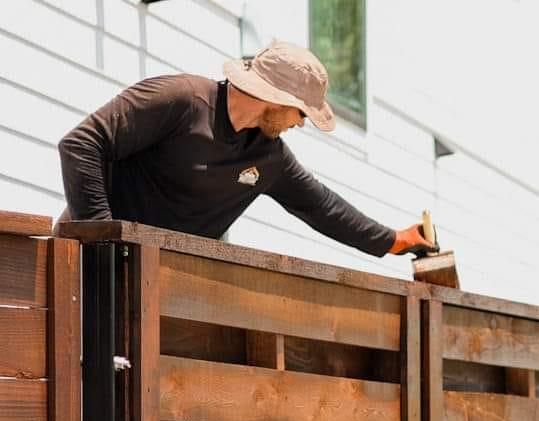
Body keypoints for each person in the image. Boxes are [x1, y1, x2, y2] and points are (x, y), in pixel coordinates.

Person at [56, 40, 432, 258]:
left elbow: (322, 207)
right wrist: (102, 242)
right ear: (275, 97)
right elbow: (81, 144)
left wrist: (395, 240)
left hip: (154, 278)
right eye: (300, 112)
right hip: (84, 267)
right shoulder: (181, 100)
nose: (300, 123)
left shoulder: (268, 156)